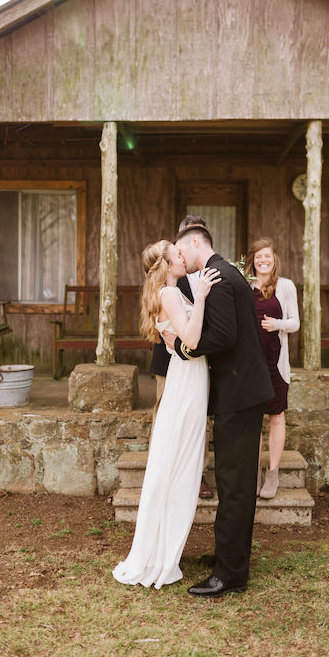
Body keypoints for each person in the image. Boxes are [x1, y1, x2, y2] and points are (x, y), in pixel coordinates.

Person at [165, 226, 274, 597]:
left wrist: (182, 348)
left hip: (240, 394)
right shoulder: (223, 272)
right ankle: (230, 557)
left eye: (181, 249)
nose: (180, 257)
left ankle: (230, 574)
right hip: (240, 391)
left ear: (195, 242)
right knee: (235, 483)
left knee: (234, 484)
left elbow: (224, 337)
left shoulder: (220, 277)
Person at [112, 241, 220, 589]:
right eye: (177, 251)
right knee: (181, 465)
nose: (183, 254)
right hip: (187, 379)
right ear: (167, 262)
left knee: (178, 462)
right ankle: (162, 555)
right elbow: (189, 336)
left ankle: (163, 549)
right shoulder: (171, 294)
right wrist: (201, 297)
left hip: (187, 376)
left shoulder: (170, 291)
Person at [149, 214, 213, 500]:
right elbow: (178, 324)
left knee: (193, 424)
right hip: (174, 358)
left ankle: (193, 475)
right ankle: (167, 478)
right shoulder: (169, 284)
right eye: (178, 247)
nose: (183, 252)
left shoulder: (198, 272)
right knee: (168, 421)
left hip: (192, 359)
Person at [245, 237, 299, 500]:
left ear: (274, 259)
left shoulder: (285, 286)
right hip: (251, 365)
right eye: (258, 256)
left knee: (275, 416)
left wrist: (276, 324)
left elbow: (295, 323)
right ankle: (252, 472)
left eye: (267, 256)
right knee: (253, 419)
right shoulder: (245, 286)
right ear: (252, 261)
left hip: (275, 364)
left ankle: (273, 472)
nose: (263, 260)